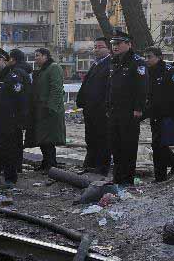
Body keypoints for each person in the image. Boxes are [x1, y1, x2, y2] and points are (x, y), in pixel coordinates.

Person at [107, 30, 148, 186]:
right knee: (116, 145)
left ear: (129, 44)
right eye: (113, 44)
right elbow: (110, 87)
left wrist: (138, 108)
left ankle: (127, 179)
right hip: (115, 110)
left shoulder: (137, 62)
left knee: (128, 146)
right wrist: (107, 105)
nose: (115, 47)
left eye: (118, 44)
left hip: (129, 111)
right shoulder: (115, 61)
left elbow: (142, 88)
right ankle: (118, 177)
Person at [0, 48, 28, 186]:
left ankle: (10, 178)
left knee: (8, 151)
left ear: (5, 61)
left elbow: (22, 101)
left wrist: (19, 122)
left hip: (9, 121)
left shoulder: (12, 78)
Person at [144, 47, 174, 182]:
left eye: (150, 57)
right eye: (146, 57)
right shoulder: (148, 72)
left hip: (166, 114)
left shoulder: (170, 71)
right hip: (154, 113)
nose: (147, 60)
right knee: (158, 145)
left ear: (159, 57)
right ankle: (161, 175)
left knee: (159, 145)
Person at [75, 37, 112, 175]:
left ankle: (101, 167)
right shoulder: (95, 64)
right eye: (95, 47)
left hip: (101, 110)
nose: (96, 49)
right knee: (91, 138)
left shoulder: (110, 65)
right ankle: (90, 165)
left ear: (108, 48)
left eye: (100, 47)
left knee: (102, 139)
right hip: (90, 109)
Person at [25, 48, 66, 171]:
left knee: (49, 140)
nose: (36, 58)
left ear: (46, 56)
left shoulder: (53, 68)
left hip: (50, 110)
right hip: (41, 110)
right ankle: (46, 162)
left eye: (38, 56)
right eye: (35, 56)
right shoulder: (42, 70)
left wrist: (51, 108)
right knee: (42, 139)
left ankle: (51, 164)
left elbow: (56, 89)